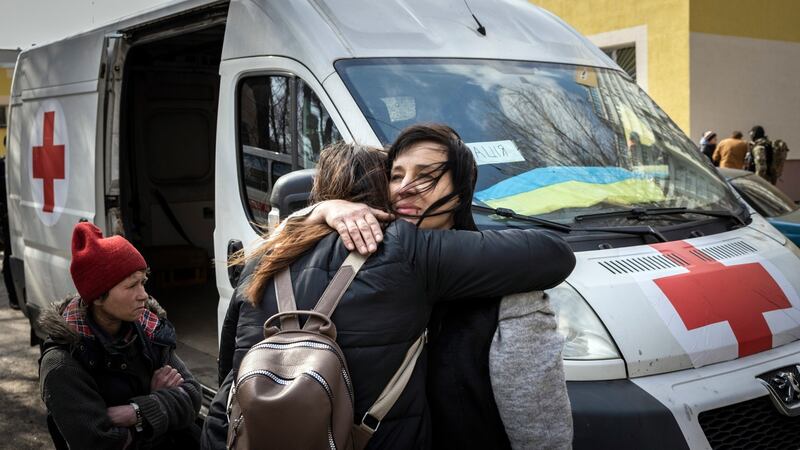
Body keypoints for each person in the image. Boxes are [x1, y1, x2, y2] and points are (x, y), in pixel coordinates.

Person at [201, 136, 576, 449]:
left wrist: (310, 213)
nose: (405, 189)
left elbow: (228, 372)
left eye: (425, 177)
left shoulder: (265, 256)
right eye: (395, 177)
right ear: (381, 191)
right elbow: (553, 254)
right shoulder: (403, 249)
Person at [39, 222, 201, 449]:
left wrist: (136, 412)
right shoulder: (62, 363)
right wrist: (162, 411)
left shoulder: (149, 331)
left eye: (143, 282)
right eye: (131, 285)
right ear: (97, 297)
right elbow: (100, 442)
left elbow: (193, 397)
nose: (143, 295)